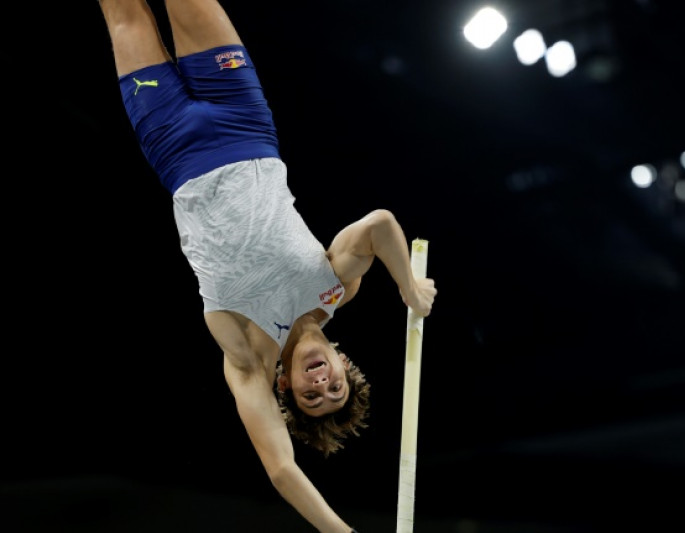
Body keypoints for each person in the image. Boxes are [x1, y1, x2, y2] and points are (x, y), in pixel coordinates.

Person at [96, 1, 437, 531]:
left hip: (173, 147)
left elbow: (281, 470)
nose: (322, 386)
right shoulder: (335, 290)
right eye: (335, 389)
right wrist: (409, 288)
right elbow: (379, 224)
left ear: (285, 389)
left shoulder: (249, 361)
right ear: (345, 366)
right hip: (242, 117)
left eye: (311, 397)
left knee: (124, 15)